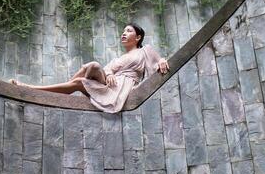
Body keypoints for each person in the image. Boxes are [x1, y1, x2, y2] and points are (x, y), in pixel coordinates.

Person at [11, 23, 170, 112]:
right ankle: (66, 90)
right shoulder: (118, 59)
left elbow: (158, 63)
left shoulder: (145, 50)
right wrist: (108, 75)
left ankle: (31, 88)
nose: (124, 33)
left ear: (138, 37)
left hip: (122, 90)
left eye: (128, 31)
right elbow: (107, 70)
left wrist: (162, 59)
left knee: (80, 82)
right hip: (110, 84)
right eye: (123, 31)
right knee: (93, 65)